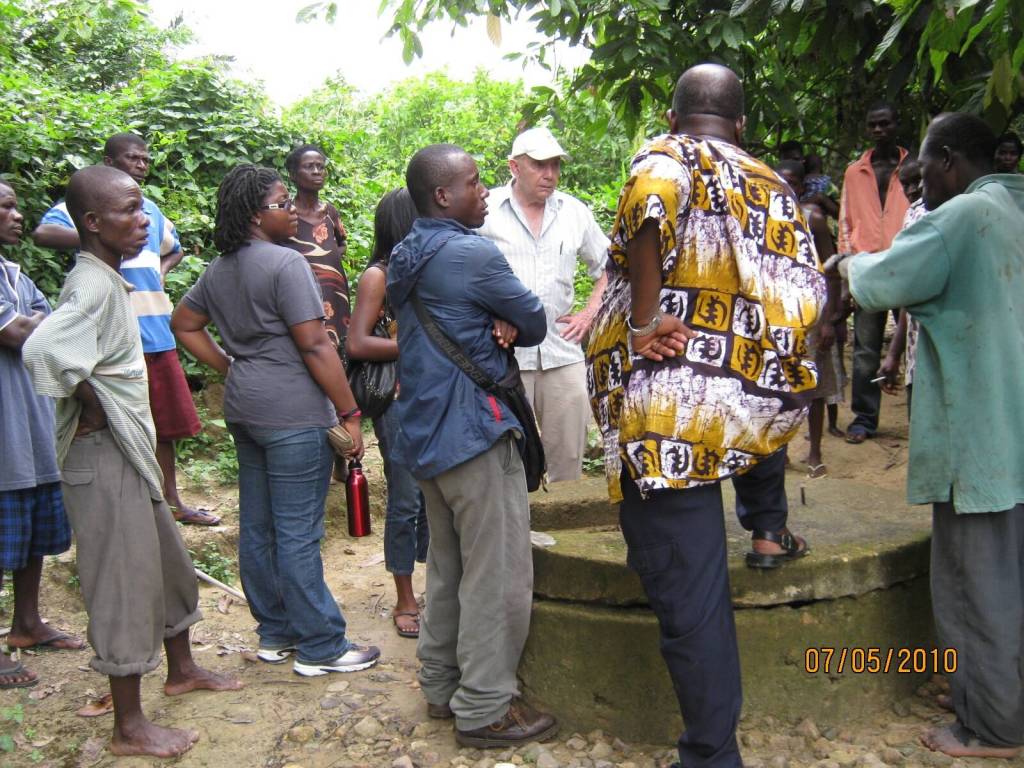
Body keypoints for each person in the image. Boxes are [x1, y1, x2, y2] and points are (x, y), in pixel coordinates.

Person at [586, 64, 825, 768]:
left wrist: (643, 318)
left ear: (673, 114)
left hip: (669, 416)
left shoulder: (667, 156)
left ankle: (712, 756)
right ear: (742, 123)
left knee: (691, 598)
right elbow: (803, 295)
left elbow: (652, 205)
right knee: (684, 576)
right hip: (741, 409)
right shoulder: (771, 186)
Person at [22, 165, 242, 759]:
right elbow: (43, 348)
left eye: (142, 208)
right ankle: (128, 725)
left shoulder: (111, 278)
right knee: (121, 582)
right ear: (92, 223)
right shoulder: (92, 285)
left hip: (129, 455)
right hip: (102, 458)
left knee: (168, 565)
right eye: (128, 210)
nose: (142, 219)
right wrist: (91, 402)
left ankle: (183, 668)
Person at [846, 112, 1024, 760]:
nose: (920, 180)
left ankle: (993, 726)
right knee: (1007, 577)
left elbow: (879, 281)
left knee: (974, 586)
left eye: (925, 166)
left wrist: (844, 261)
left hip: (978, 438)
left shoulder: (961, 219)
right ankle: (994, 691)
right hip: (1014, 429)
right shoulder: (1010, 208)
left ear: (949, 160)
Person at [171, 164, 379, 677]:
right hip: (292, 412)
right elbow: (314, 343)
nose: (291, 212)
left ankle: (276, 633)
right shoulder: (287, 265)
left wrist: (233, 365)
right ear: (255, 215)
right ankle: (322, 647)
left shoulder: (219, 269)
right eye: (282, 204)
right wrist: (350, 411)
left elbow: (184, 323)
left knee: (258, 526)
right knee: (297, 532)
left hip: (246, 408)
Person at [387, 143, 555, 747]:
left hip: (426, 435)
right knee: (498, 576)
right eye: (475, 182)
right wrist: (506, 318)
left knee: (450, 569)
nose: (485, 192)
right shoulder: (472, 253)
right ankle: (485, 707)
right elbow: (533, 320)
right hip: (476, 434)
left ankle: (441, 687)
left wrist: (500, 317)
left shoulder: (407, 253)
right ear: (442, 196)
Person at [31, 133, 213, 525]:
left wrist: (159, 273)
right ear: (110, 162)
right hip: (113, 334)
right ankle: (128, 504)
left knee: (163, 422)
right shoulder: (90, 209)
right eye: (133, 158)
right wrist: (102, 237)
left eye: (146, 159)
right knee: (116, 420)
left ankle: (168, 501)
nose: (142, 165)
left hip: (155, 328)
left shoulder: (151, 211)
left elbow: (174, 247)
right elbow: (43, 234)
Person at [476, 126, 609, 482]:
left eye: (555, 165)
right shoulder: (484, 211)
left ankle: (563, 528)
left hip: (561, 351)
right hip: (501, 353)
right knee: (505, 452)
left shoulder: (573, 212)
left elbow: (612, 267)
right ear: (515, 167)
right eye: (539, 165)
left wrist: (590, 312)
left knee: (568, 453)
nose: (549, 175)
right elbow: (460, 273)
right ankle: (518, 532)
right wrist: (490, 314)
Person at [0, 180, 84, 689]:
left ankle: (27, 624)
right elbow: (18, 334)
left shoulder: (14, 274)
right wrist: (35, 326)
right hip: (4, 429)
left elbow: (50, 333)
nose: (16, 214)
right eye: (5, 206)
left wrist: (35, 326)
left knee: (31, 534)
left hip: (32, 426)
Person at [345, 188, 427, 639]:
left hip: (433, 394)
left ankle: (436, 583)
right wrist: (419, 345)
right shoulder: (378, 276)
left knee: (437, 496)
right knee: (406, 497)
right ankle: (405, 595)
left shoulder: (429, 266)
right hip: (397, 399)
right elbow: (357, 343)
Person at [837, 102, 911, 444]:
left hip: (909, 265)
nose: (879, 130)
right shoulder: (855, 172)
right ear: (868, 129)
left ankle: (918, 416)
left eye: (885, 124)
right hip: (867, 269)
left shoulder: (915, 168)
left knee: (915, 343)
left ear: (896, 125)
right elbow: (845, 222)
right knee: (866, 347)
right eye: (873, 125)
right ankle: (864, 419)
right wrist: (847, 271)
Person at [776, 161, 841, 477]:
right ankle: (782, 450)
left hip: (812, 314)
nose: (786, 188)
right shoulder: (766, 218)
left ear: (802, 187)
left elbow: (831, 272)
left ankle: (815, 451)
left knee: (813, 385)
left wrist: (830, 320)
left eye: (792, 183)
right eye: (780, 182)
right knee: (781, 383)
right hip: (778, 315)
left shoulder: (813, 220)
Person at [876, 158, 927, 415]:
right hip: (919, 351)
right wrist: (894, 354)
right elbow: (911, 293)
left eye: (918, 181)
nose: (912, 190)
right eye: (905, 185)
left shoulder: (921, 214)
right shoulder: (914, 213)